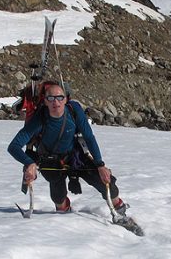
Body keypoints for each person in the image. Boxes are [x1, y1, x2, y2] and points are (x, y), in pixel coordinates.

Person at [7, 82, 128, 215]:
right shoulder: (40, 118)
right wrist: (29, 163)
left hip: (76, 155)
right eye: (51, 98)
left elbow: (89, 137)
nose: (56, 103)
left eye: (59, 98)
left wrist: (100, 164)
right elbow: (14, 146)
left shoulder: (73, 110)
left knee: (107, 183)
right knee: (58, 197)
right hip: (50, 160)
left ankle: (120, 212)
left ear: (65, 99)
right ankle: (64, 214)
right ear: (46, 101)